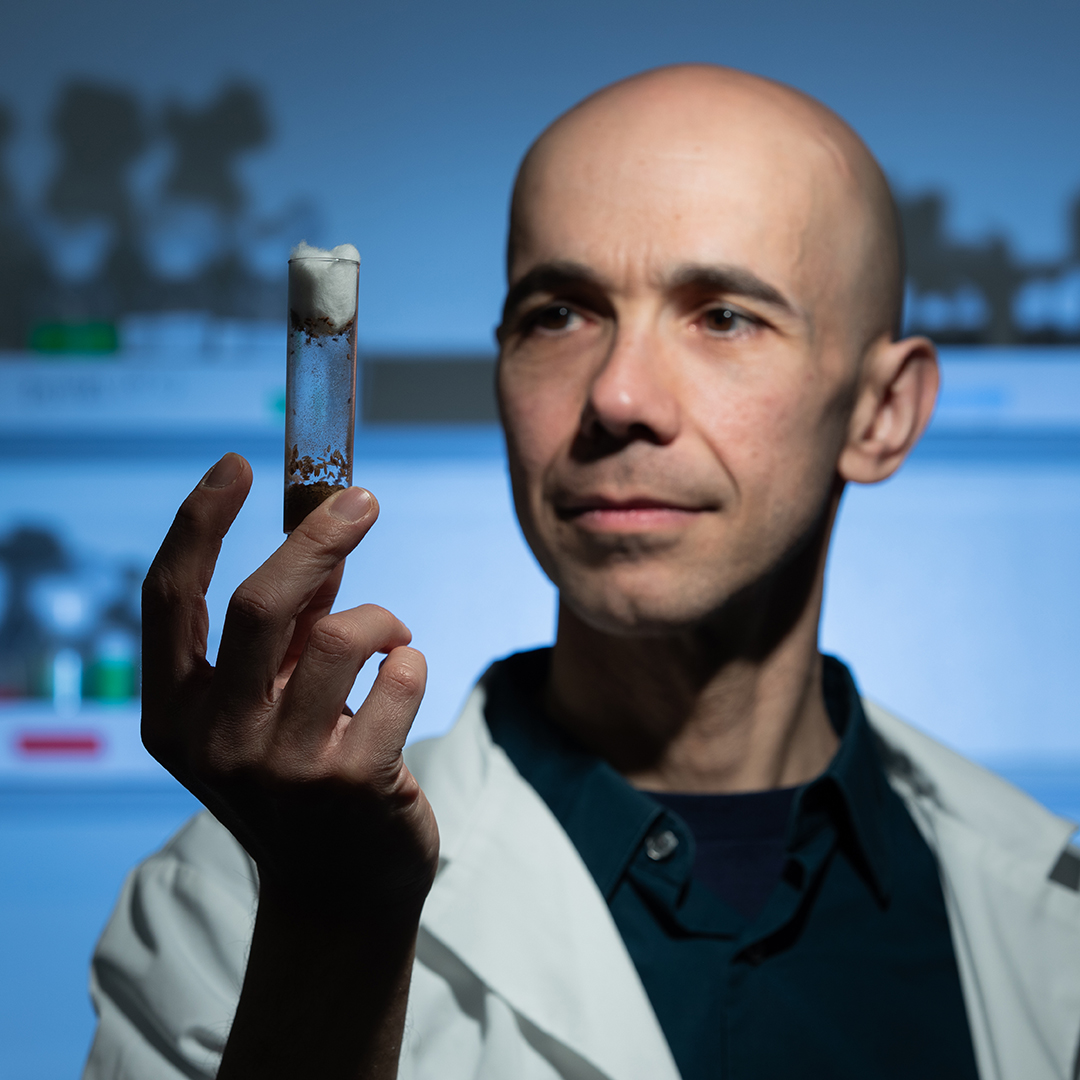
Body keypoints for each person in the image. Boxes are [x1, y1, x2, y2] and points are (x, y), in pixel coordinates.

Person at [84, 65, 1080, 1080]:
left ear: (882, 414)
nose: (617, 396)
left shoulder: (1052, 928)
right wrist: (333, 930)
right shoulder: (233, 908)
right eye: (558, 314)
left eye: (724, 316)